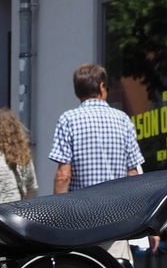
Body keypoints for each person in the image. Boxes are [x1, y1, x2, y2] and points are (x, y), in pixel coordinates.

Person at [49, 63, 144, 193]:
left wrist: (59, 205)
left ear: (77, 92)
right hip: (118, 203)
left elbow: (63, 176)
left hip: (82, 204)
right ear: (101, 87)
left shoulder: (68, 120)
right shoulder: (123, 120)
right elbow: (133, 173)